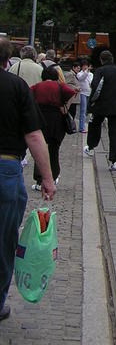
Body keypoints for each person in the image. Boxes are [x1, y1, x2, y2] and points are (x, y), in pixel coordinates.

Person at [0, 36, 55, 323]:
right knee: (4, 240)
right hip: (5, 170)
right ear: (7, 61)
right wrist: (47, 178)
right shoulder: (16, 87)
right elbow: (34, 136)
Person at [30, 65, 77, 189]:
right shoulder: (60, 86)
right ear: (56, 76)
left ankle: (40, 180)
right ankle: (54, 176)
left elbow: (29, 97)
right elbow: (73, 92)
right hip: (57, 120)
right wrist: (65, 107)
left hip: (41, 119)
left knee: (39, 149)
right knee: (54, 149)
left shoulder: (37, 86)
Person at [84, 50, 116, 171]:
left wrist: (91, 104)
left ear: (101, 60)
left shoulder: (100, 71)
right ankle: (115, 161)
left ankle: (91, 147)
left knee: (95, 124)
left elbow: (96, 88)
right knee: (115, 132)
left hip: (101, 105)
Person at [76, 58, 93, 133]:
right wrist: (86, 71)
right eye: (84, 66)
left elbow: (92, 82)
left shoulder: (91, 74)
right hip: (83, 93)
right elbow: (82, 78)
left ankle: (88, 125)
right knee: (83, 110)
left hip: (90, 93)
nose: (85, 67)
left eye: (86, 66)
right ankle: (81, 128)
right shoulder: (79, 74)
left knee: (88, 111)